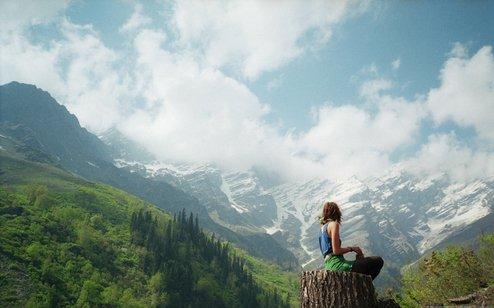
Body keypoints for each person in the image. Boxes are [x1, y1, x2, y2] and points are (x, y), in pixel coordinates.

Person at [318, 201, 384, 280]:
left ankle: (361, 284)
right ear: (336, 212)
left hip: (329, 266)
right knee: (378, 261)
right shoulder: (333, 224)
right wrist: (352, 249)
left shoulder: (321, 230)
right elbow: (336, 251)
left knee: (361, 265)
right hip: (339, 266)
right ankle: (364, 287)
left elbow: (329, 252)